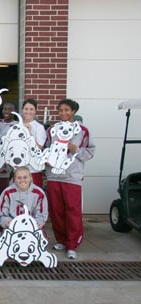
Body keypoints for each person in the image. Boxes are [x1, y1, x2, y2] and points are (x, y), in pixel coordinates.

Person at [45, 99, 95, 259]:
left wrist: (76, 150)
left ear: (73, 111)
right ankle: (61, 240)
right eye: (60, 110)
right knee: (56, 210)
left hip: (72, 177)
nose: (63, 113)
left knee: (72, 211)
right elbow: (46, 149)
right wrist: (47, 158)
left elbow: (91, 152)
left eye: (67, 110)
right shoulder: (52, 129)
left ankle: (72, 244)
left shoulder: (83, 131)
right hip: (54, 176)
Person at [21, 98, 46, 188]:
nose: (28, 111)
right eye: (26, 109)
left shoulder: (39, 127)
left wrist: (29, 133)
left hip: (33, 169)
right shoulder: (17, 125)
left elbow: (38, 148)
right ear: (22, 110)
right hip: (19, 168)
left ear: (35, 111)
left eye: (31, 109)